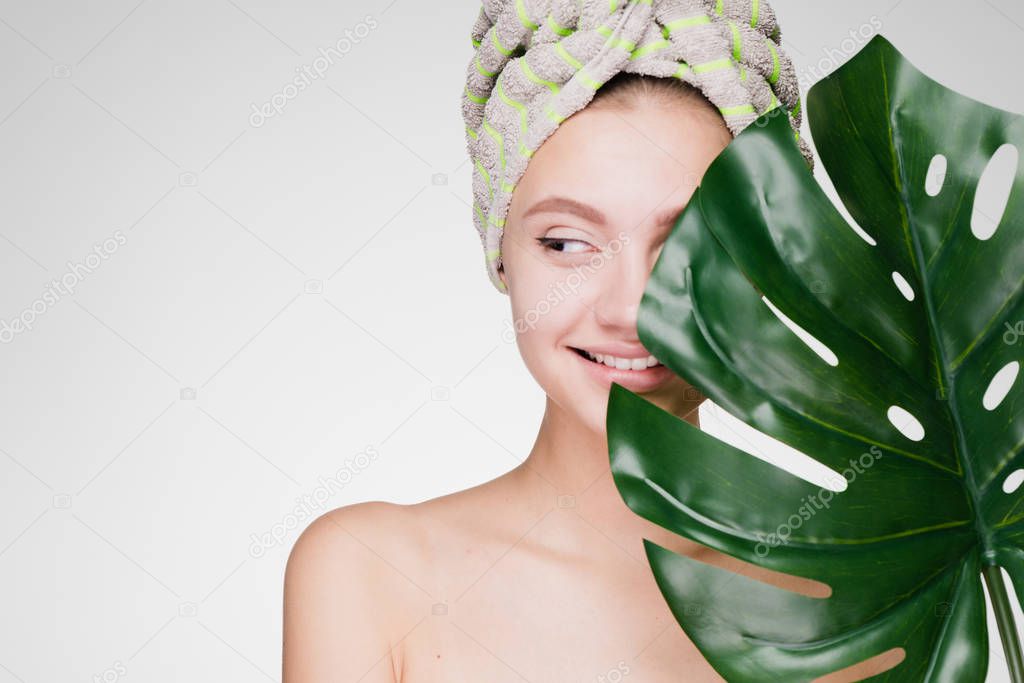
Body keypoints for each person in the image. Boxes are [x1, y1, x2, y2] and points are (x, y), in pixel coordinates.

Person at [283, 2, 887, 681]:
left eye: (697, 240)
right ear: (502, 253)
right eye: (568, 243)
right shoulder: (370, 573)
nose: (632, 307)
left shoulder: (861, 608)